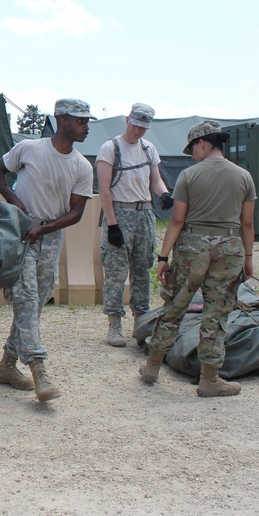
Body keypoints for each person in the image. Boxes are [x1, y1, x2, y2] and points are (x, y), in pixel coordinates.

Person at [0, 98, 95, 401]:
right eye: (81, 121)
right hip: (21, 234)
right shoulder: (30, 149)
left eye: (87, 122)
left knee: (33, 306)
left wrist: (45, 229)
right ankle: (39, 370)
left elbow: (76, 213)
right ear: (62, 121)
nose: (86, 127)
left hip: (49, 236)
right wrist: (13, 200)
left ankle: (7, 366)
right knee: (26, 297)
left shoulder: (82, 166)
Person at [139, 120, 255, 397]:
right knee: (217, 313)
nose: (191, 154)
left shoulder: (188, 176)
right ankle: (210, 378)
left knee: (175, 306)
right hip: (229, 249)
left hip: (192, 247)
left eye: (192, 148)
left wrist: (163, 257)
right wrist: (248, 258)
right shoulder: (244, 176)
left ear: (203, 143)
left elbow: (177, 219)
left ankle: (152, 367)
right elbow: (247, 224)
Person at [96, 103, 172, 347]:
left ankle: (141, 323)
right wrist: (112, 224)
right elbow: (104, 190)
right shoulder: (110, 149)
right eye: (136, 125)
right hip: (119, 212)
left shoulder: (149, 149)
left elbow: (156, 180)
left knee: (142, 270)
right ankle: (114, 324)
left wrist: (164, 194)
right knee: (116, 273)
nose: (138, 131)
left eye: (143, 128)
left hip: (144, 214)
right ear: (128, 119)